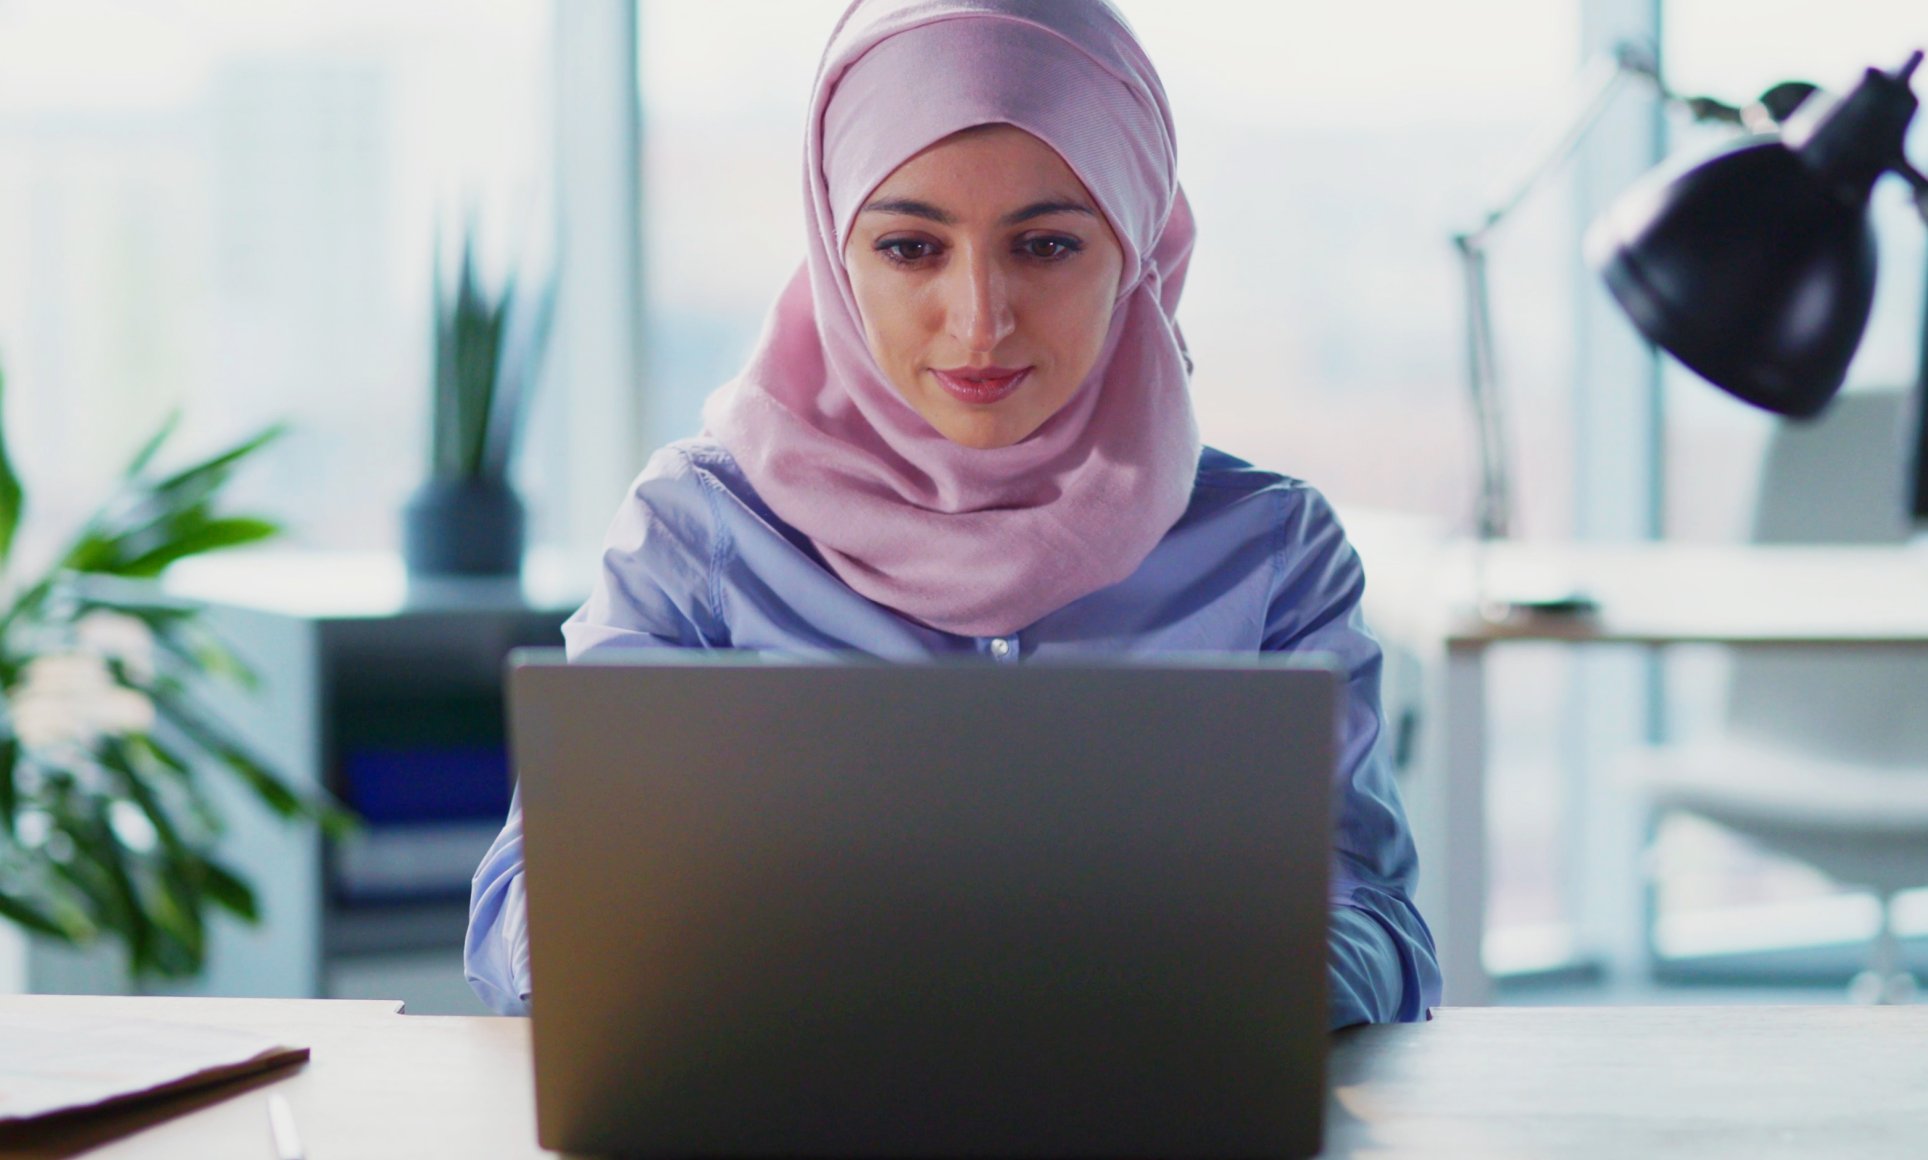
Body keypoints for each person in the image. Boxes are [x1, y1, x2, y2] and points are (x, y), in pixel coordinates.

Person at [467, 0, 1441, 1029]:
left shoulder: (1268, 554)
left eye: (1048, 244)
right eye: (908, 248)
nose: (979, 319)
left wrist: (1201, 1002)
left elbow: (1371, 912)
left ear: (1138, 247)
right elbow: (520, 913)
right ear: (834, 251)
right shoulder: (697, 529)